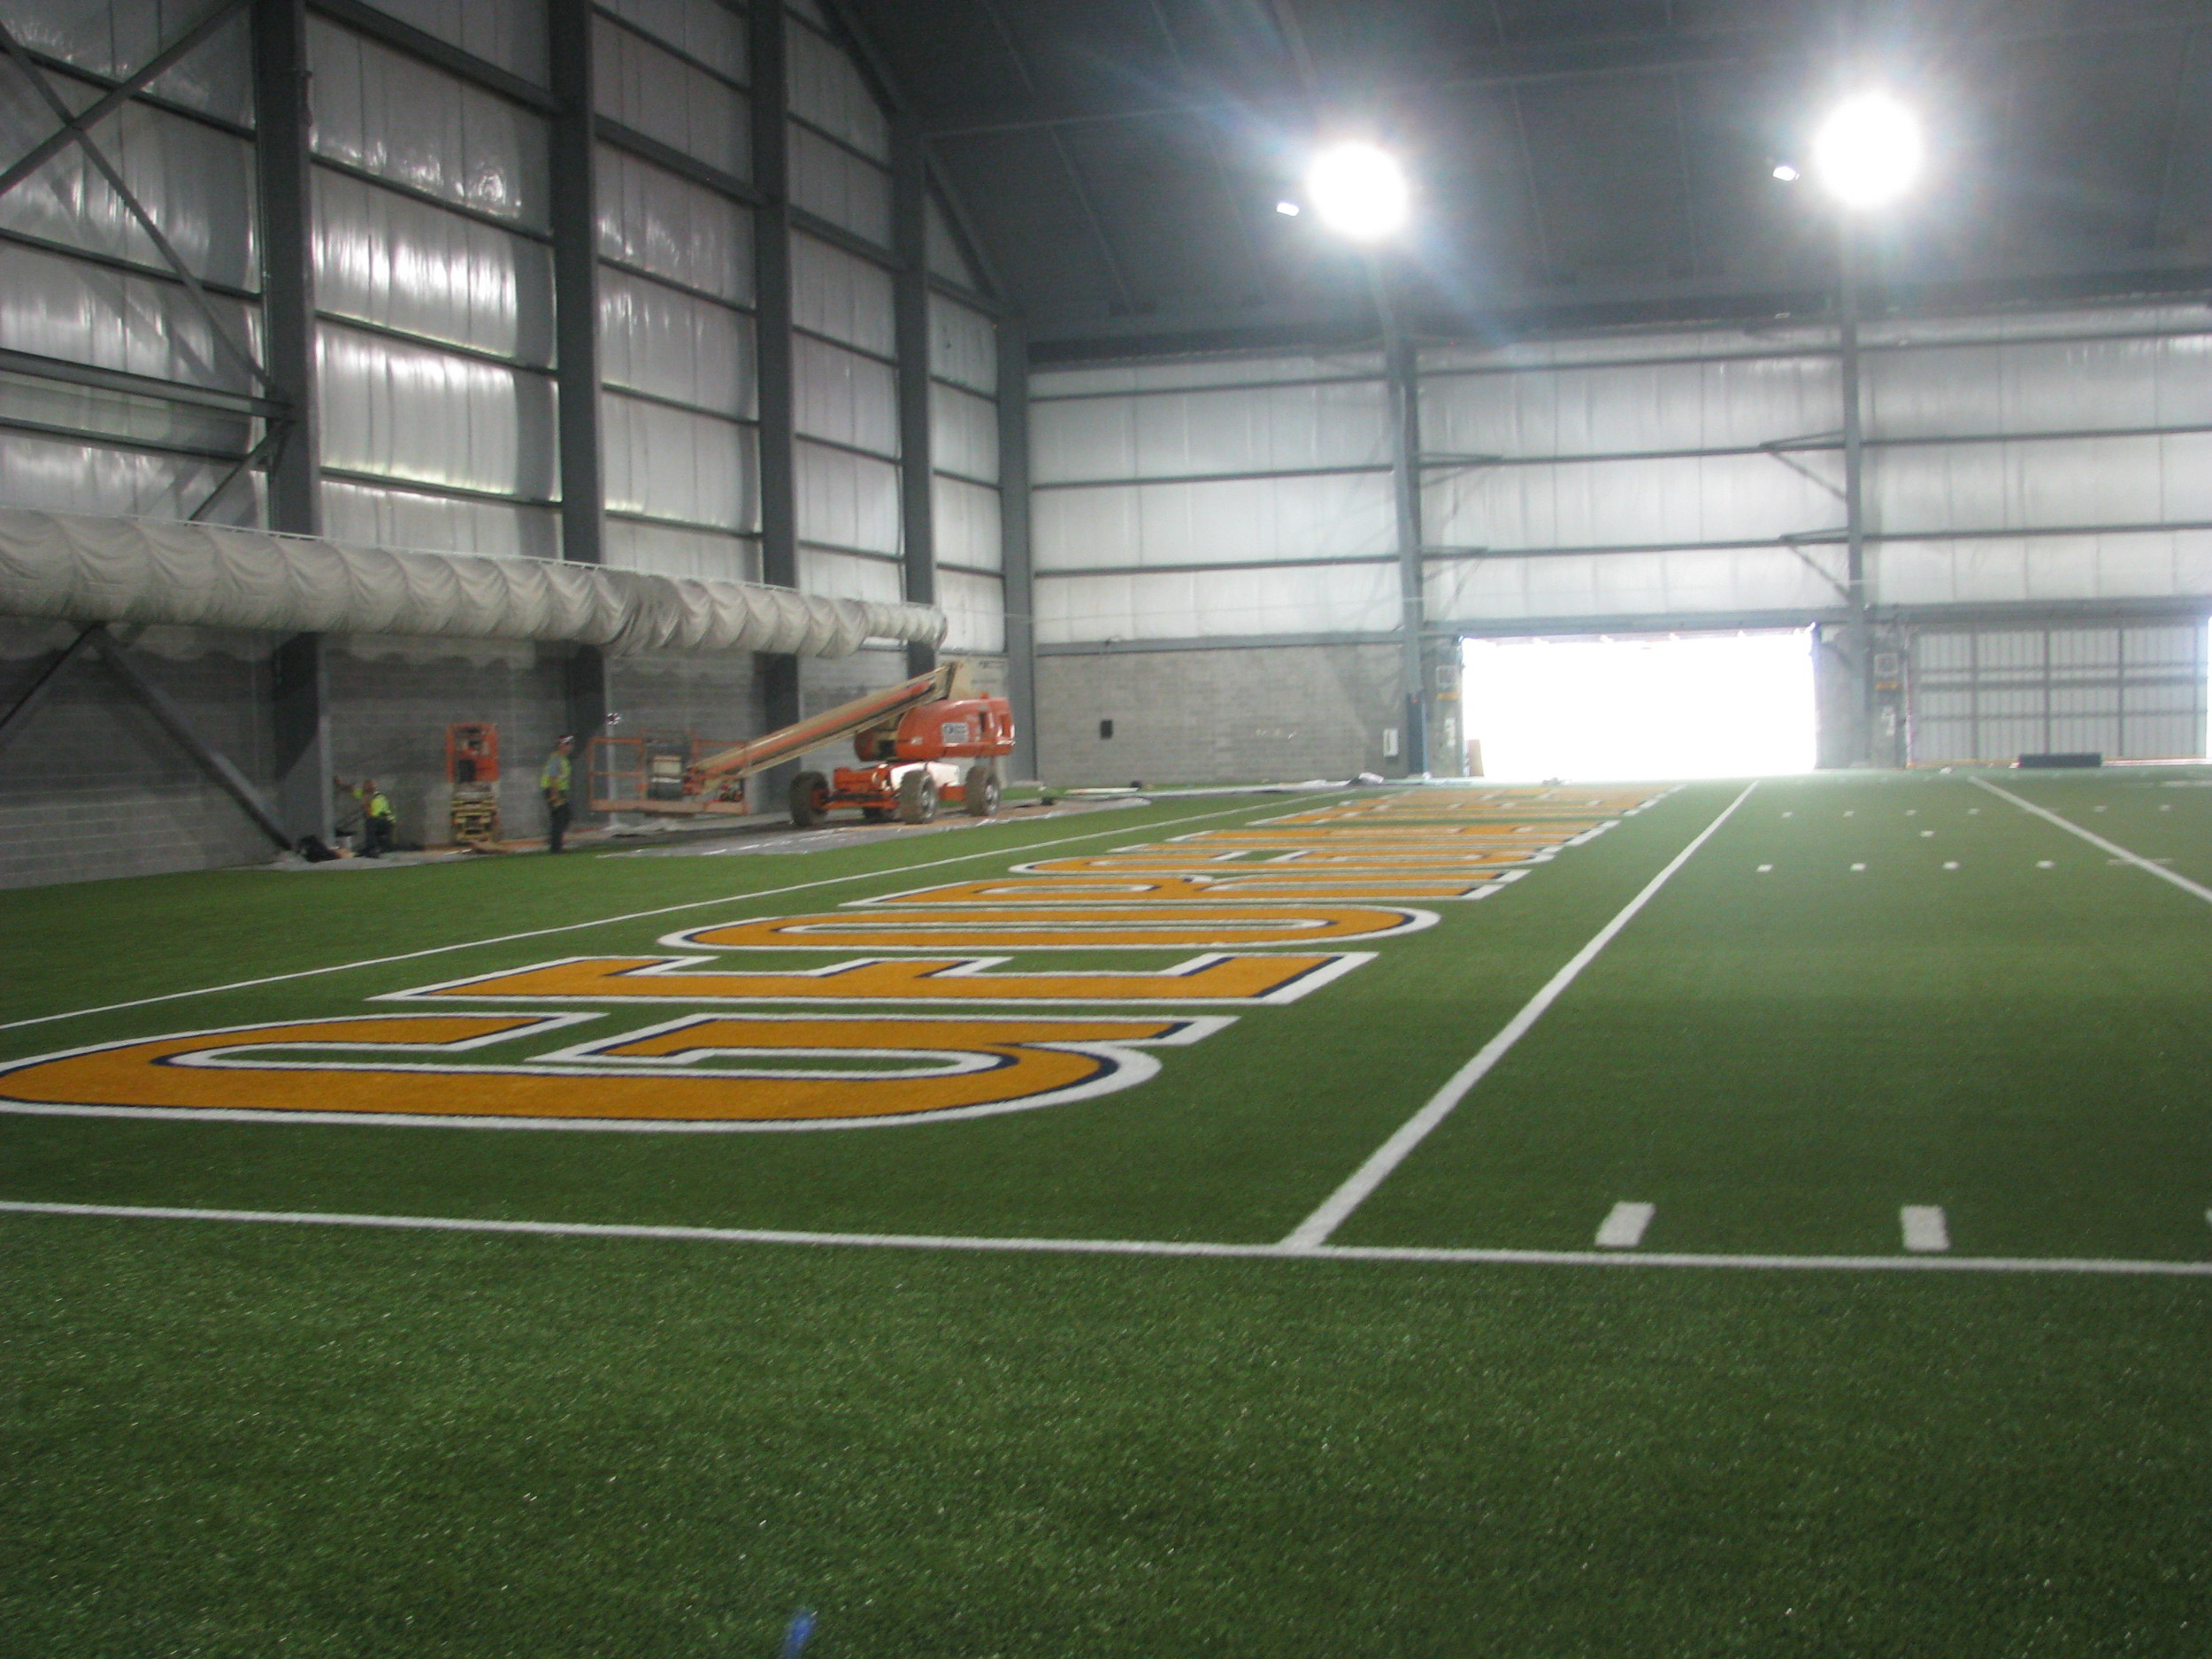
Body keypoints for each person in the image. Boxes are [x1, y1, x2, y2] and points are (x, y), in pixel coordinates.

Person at [541, 735, 574, 854]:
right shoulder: (556, 759)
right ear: (562, 746)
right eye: (568, 744)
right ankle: (555, 846)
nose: (570, 747)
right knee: (560, 818)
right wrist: (554, 796)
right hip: (554, 790)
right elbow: (552, 777)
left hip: (559, 791)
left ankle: (554, 840)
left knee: (563, 817)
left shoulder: (562, 759)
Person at [357, 780, 396, 858]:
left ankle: (372, 848)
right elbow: (353, 790)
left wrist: (365, 803)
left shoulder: (378, 798)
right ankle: (372, 847)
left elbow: (371, 814)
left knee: (371, 822)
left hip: (386, 821)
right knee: (371, 822)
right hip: (379, 820)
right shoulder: (365, 794)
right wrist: (341, 784)